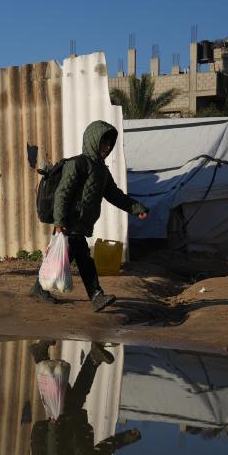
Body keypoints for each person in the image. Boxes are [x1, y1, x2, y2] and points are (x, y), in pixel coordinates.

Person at [33, 120, 148, 312]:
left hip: (81, 222)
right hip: (69, 221)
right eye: (103, 142)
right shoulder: (77, 164)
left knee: (66, 256)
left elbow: (115, 195)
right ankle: (96, 296)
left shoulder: (102, 170)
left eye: (109, 143)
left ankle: (39, 288)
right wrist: (59, 222)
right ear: (93, 141)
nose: (107, 147)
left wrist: (137, 208)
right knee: (84, 259)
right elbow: (62, 193)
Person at [28, 341, 139, 455]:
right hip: (73, 423)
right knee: (76, 391)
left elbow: (56, 453)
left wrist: (55, 425)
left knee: (62, 387)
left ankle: (49, 355)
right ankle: (88, 357)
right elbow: (105, 448)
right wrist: (127, 438)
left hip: (62, 424)